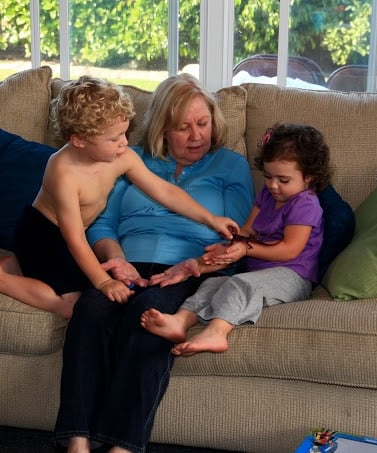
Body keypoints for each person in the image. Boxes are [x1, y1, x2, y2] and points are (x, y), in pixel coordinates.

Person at [53, 73, 254, 453]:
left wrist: (193, 265)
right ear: (162, 127)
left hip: (185, 267)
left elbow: (233, 239)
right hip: (126, 263)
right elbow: (103, 224)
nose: (197, 136)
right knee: (91, 310)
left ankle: (122, 446)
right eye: (184, 128)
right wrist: (116, 261)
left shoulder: (230, 166)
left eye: (203, 123)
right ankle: (76, 441)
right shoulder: (128, 159)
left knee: (148, 318)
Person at [0, 76, 239, 319]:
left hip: (72, 236)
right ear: (79, 140)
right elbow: (74, 240)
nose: (124, 143)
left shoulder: (121, 156)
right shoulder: (63, 172)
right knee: (73, 305)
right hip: (44, 235)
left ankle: (13, 264)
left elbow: (163, 191)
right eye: (114, 139)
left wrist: (210, 218)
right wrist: (103, 281)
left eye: (124, 134)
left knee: (92, 290)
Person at [141, 123, 332, 356]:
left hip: (292, 277)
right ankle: (180, 321)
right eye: (269, 176)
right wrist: (214, 257)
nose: (273, 185)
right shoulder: (267, 195)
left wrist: (246, 249)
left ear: (309, 178)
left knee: (240, 284)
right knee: (212, 284)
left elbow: (289, 250)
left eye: (283, 180)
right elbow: (245, 233)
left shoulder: (305, 204)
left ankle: (217, 333)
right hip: (259, 273)